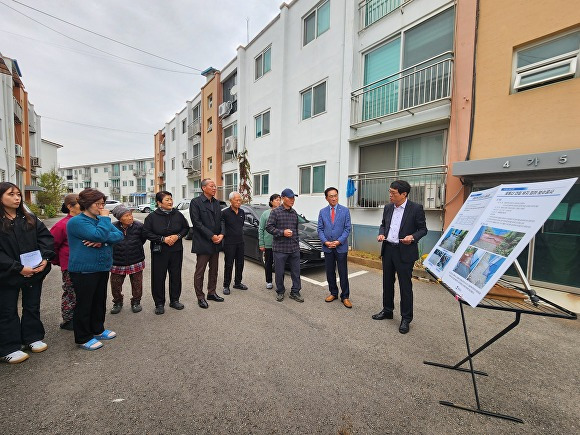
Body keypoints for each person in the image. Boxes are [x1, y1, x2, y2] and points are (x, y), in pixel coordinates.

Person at [0, 182, 54, 364]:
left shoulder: (29, 218)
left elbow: (46, 238)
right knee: (7, 310)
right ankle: (8, 347)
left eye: (18, 194)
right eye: (11, 194)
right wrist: (17, 267)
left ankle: (31, 337)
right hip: (8, 274)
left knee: (32, 305)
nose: (17, 198)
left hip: (34, 271)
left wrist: (45, 259)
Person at [66, 188, 123, 350]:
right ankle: (83, 337)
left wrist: (103, 241)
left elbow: (119, 235)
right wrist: (103, 227)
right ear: (86, 204)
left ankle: (97, 329)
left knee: (99, 301)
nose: (101, 207)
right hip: (84, 270)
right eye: (97, 203)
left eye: (103, 203)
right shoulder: (77, 221)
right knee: (85, 304)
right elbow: (98, 235)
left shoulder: (100, 220)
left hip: (102, 267)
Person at [372, 180, 427, 334]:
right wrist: (381, 233)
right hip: (388, 249)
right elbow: (383, 224)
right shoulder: (388, 207)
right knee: (387, 283)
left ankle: (406, 318)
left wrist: (412, 237)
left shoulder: (415, 208)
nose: (390, 195)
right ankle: (387, 310)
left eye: (393, 193)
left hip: (405, 251)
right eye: (390, 192)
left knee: (405, 286)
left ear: (404, 194)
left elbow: (423, 229)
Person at [143, 191, 189, 315]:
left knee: (175, 275)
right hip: (160, 251)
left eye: (171, 199)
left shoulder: (178, 215)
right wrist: (162, 239)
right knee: (158, 277)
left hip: (176, 250)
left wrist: (177, 236)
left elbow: (186, 228)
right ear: (159, 203)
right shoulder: (152, 217)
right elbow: (146, 232)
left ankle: (174, 300)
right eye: (167, 200)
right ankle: (159, 303)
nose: (170, 202)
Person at [189, 178, 225, 308]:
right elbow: (197, 223)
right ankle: (200, 296)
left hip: (216, 242)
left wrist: (221, 234)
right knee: (200, 271)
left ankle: (212, 292)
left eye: (215, 186)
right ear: (204, 188)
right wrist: (211, 236)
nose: (215, 188)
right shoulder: (196, 202)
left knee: (214, 270)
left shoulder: (216, 203)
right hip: (203, 242)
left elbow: (221, 220)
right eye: (212, 186)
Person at [266, 188, 303, 303]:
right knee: (280, 272)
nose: (292, 200)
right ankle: (280, 291)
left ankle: (295, 291)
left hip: (293, 248)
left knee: (296, 271)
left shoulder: (294, 213)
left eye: (293, 198)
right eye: (290, 198)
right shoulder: (275, 212)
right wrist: (282, 232)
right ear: (283, 198)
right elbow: (269, 227)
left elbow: (296, 230)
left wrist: (296, 243)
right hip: (280, 248)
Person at [317, 187, 352, 308]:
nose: (334, 198)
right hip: (327, 247)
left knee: (343, 272)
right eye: (331, 196)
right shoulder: (322, 212)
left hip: (340, 247)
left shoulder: (345, 211)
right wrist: (325, 242)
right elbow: (320, 229)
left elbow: (347, 228)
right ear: (326, 198)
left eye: (335, 195)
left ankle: (345, 296)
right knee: (330, 272)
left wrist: (339, 241)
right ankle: (333, 292)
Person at [50, 193, 81, 330]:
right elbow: (52, 246)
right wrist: (59, 261)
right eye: (80, 203)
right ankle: (69, 320)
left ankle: (81, 317)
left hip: (86, 264)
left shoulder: (84, 221)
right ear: (70, 206)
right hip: (70, 265)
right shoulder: (62, 225)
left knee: (83, 292)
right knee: (71, 292)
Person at [109, 205, 147, 314]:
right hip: (117, 261)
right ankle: (117, 302)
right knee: (115, 285)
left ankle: (136, 302)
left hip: (136, 259)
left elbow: (142, 240)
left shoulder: (139, 226)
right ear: (119, 218)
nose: (130, 217)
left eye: (130, 215)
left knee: (137, 284)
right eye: (126, 215)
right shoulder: (112, 227)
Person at [221, 192, 248, 294]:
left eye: (240, 200)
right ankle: (226, 285)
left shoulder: (241, 212)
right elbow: (222, 227)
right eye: (236, 200)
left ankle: (237, 283)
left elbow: (240, 226)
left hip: (240, 242)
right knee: (229, 264)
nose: (238, 202)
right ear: (230, 201)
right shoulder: (225, 213)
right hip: (229, 243)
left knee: (240, 263)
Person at [259, 193, 280, 289]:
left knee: (279, 264)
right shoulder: (265, 214)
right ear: (271, 202)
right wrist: (261, 243)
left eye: (280, 199)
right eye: (276, 199)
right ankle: (269, 281)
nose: (278, 201)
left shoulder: (282, 212)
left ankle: (279, 282)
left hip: (280, 243)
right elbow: (261, 229)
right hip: (268, 244)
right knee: (268, 263)